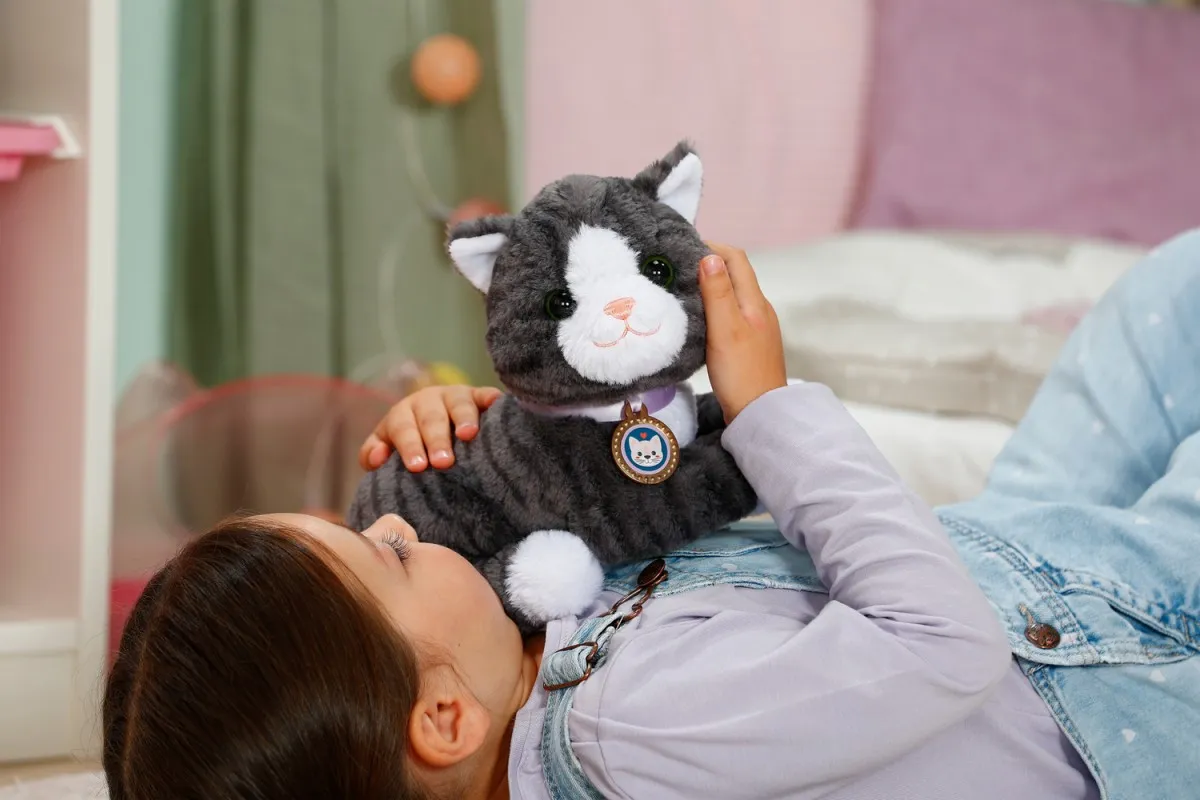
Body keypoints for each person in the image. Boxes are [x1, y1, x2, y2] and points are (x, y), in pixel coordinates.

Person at [102, 237, 1200, 800]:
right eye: (387, 555)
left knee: (1169, 299)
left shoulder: (525, 682)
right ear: (441, 717)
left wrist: (496, 448)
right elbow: (941, 643)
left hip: (1012, 558)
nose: (405, 528)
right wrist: (766, 410)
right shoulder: (629, 730)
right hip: (1115, 659)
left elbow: (637, 493)